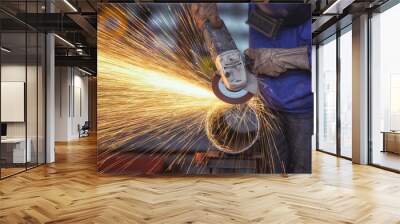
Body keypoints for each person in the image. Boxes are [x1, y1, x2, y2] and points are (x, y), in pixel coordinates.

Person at [191, 3, 313, 173]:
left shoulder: (312, 18)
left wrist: (282, 59)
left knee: (302, 170)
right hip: (268, 106)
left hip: (304, 109)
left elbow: (329, 55)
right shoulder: (259, 9)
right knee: (274, 170)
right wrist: (213, 23)